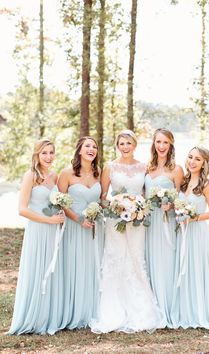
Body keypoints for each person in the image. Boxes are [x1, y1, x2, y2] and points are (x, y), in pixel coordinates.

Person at [90, 129, 165, 333]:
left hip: (137, 222)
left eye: (128, 143)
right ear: (117, 145)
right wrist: (117, 205)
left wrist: (138, 208)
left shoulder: (144, 167)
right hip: (115, 221)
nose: (125, 147)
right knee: (115, 258)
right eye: (121, 144)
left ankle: (141, 309)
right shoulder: (110, 167)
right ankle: (113, 310)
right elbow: (103, 196)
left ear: (134, 145)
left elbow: (144, 193)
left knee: (135, 258)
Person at [8, 139, 65, 335]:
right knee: (37, 270)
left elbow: (56, 202)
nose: (48, 157)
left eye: (51, 152)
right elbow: (22, 209)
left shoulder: (54, 176)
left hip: (53, 231)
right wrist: (47, 221)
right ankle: (32, 317)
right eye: (44, 153)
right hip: (38, 230)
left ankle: (48, 316)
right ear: (37, 155)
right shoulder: (30, 176)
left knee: (51, 271)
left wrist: (60, 215)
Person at [171, 146, 209, 329]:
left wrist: (194, 218)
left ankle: (201, 312)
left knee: (197, 270)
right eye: (190, 157)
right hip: (182, 233)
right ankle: (186, 311)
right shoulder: (183, 182)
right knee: (184, 270)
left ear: (204, 163)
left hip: (198, 233)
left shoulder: (206, 184)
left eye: (197, 159)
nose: (192, 161)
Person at [57, 136, 103, 330]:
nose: (91, 149)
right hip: (74, 227)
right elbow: (59, 201)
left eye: (94, 146)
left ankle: (93, 310)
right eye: (87, 146)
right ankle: (74, 311)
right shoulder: (67, 174)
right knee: (75, 266)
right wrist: (78, 219)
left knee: (94, 265)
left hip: (95, 227)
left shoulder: (98, 172)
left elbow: (102, 198)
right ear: (79, 150)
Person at [145, 128, 184, 327]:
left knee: (166, 262)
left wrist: (171, 204)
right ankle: (152, 309)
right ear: (154, 144)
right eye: (158, 142)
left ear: (171, 146)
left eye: (165, 143)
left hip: (166, 223)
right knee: (149, 260)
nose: (161, 146)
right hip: (148, 223)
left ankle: (169, 305)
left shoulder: (176, 170)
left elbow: (181, 198)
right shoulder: (147, 168)